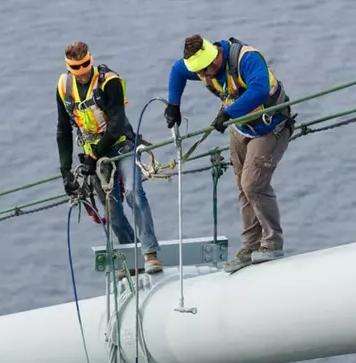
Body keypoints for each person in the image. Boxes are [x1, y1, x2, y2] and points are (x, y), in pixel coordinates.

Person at [165, 35, 293, 273]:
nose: (204, 76)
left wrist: (228, 112)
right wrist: (174, 104)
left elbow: (259, 89)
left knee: (253, 185)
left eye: (206, 70)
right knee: (243, 190)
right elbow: (177, 70)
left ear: (215, 58)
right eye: (200, 73)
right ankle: (250, 247)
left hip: (269, 127)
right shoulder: (204, 67)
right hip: (241, 129)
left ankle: (272, 243)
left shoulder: (247, 59)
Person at [57, 41, 163, 275]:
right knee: (112, 213)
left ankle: (150, 253)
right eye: (77, 68)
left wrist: (93, 157)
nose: (83, 72)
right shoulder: (64, 87)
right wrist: (65, 171)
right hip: (92, 156)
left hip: (120, 146)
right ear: (69, 68)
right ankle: (131, 256)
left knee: (134, 193)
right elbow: (63, 130)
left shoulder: (109, 81)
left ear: (91, 60)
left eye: (86, 65)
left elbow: (115, 125)